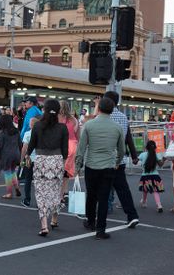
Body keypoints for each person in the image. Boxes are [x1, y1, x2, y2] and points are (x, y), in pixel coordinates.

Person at [75, 98, 125, 240]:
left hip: (91, 165)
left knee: (91, 195)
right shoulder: (117, 127)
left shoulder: (89, 125)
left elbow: (82, 147)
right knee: (104, 197)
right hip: (109, 166)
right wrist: (117, 161)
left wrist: (78, 165)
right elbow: (121, 149)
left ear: (100, 108)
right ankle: (101, 229)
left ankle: (90, 221)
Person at [25, 99, 68, 237]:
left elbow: (31, 145)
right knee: (56, 191)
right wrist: (62, 163)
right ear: (58, 112)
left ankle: (44, 225)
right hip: (57, 161)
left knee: (41, 193)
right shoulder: (62, 128)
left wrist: (27, 157)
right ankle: (54, 220)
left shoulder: (37, 126)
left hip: (41, 161)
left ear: (44, 110)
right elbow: (65, 151)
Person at [103, 91, 139, 227]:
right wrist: (134, 156)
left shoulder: (104, 116)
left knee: (102, 188)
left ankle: (98, 216)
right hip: (120, 160)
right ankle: (132, 215)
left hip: (105, 159)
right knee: (123, 190)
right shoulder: (123, 117)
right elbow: (128, 138)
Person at [58, 100, 80, 206]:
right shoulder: (74, 119)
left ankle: (60, 195)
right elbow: (78, 135)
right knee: (66, 171)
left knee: (59, 171)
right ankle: (65, 192)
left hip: (60, 145)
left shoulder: (57, 118)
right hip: (73, 145)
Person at [0, 114, 21, 199]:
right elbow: (20, 143)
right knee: (13, 171)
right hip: (16, 154)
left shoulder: (2, 133)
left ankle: (9, 193)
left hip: (6, 155)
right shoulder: (16, 131)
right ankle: (17, 188)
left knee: (7, 173)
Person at [137, 140, 165, 213]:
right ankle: (159, 206)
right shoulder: (156, 155)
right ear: (155, 147)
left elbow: (135, 161)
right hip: (155, 176)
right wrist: (164, 159)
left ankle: (144, 201)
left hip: (145, 176)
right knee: (155, 191)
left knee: (145, 189)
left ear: (146, 147)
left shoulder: (142, 154)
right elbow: (161, 164)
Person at [20, 117, 39, 207]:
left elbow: (24, 148)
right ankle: (40, 201)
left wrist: (21, 159)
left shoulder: (27, 134)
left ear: (31, 125)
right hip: (39, 159)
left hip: (29, 160)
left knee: (28, 180)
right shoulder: (41, 134)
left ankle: (27, 200)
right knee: (39, 181)